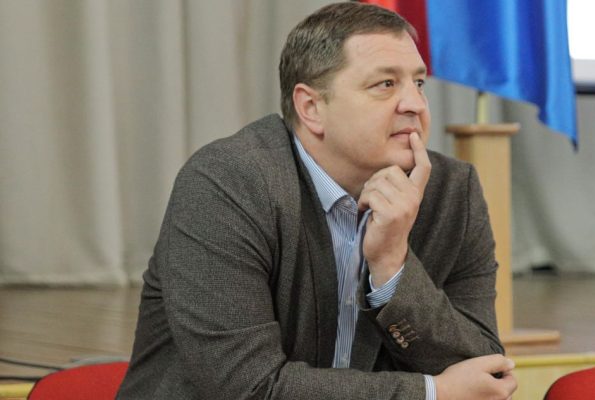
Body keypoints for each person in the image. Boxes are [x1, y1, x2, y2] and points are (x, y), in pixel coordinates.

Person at [117, 2, 517, 399]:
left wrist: (392, 268)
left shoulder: (451, 192)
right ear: (311, 108)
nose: (415, 103)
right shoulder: (228, 183)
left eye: (419, 83)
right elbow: (247, 387)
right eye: (385, 84)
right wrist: (431, 393)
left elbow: (484, 369)